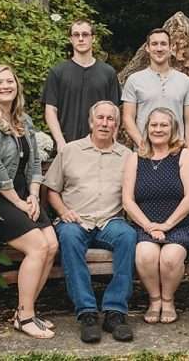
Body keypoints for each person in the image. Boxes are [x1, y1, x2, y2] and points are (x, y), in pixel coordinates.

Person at [0, 64, 59, 339]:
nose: (6, 86)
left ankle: (24, 311)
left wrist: (33, 194)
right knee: (38, 247)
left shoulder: (22, 119)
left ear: (17, 86)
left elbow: (35, 162)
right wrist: (18, 202)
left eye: (10, 81)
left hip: (22, 195)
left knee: (52, 244)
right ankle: (26, 317)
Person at [45, 101, 136, 343]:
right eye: (101, 118)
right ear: (91, 122)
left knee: (128, 236)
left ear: (117, 125)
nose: (105, 123)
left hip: (110, 221)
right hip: (75, 219)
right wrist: (63, 211)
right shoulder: (70, 151)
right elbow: (51, 189)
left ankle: (115, 312)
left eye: (110, 119)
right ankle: (86, 313)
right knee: (68, 236)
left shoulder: (127, 156)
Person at [123, 107, 189, 324]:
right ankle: (154, 300)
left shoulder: (183, 155)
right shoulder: (136, 158)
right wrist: (149, 226)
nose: (158, 129)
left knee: (170, 256)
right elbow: (127, 201)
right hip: (145, 224)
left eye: (164, 125)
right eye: (153, 125)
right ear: (147, 129)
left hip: (181, 224)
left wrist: (166, 225)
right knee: (145, 254)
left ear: (173, 129)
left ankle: (168, 299)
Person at [42, 19, 121, 152]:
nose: (80, 39)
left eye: (85, 35)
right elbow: (50, 110)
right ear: (70, 39)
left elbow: (115, 113)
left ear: (93, 38)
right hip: (67, 146)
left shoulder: (108, 73)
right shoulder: (58, 72)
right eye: (76, 35)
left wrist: (111, 143)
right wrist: (60, 142)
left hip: (100, 147)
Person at [122, 28, 189, 151]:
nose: (159, 49)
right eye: (154, 44)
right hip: (145, 151)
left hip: (175, 151)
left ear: (171, 47)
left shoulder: (185, 81)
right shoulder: (134, 80)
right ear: (147, 48)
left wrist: (188, 151)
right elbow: (128, 117)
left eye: (163, 44)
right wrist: (142, 144)